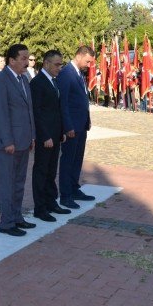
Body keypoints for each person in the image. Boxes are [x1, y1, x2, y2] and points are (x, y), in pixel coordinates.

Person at [0, 43, 36, 236]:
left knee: (19, 182)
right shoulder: (1, 80)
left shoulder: (24, 79)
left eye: (28, 58)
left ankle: (17, 217)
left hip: (24, 140)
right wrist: (8, 141)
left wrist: (32, 135)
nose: (27, 62)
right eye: (23, 58)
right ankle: (7, 223)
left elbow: (28, 110)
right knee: (7, 183)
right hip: (7, 144)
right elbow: (0, 113)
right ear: (12, 60)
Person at [30, 50, 71, 223]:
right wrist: (45, 135)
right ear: (46, 63)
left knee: (51, 171)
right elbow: (37, 113)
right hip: (45, 136)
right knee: (41, 171)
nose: (59, 68)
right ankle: (40, 208)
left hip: (55, 134)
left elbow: (57, 109)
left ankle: (51, 202)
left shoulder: (54, 81)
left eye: (61, 64)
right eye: (56, 64)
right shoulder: (37, 83)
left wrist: (61, 131)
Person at [57, 45, 95, 209]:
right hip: (72, 126)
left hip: (81, 124)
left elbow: (81, 99)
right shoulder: (66, 73)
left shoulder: (78, 73)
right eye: (87, 61)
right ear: (80, 56)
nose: (89, 65)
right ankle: (65, 195)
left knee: (77, 159)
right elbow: (63, 103)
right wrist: (67, 126)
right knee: (68, 160)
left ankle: (74, 188)